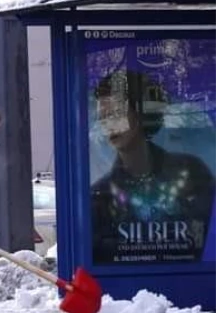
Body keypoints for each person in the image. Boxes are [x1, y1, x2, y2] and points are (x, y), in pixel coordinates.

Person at [90, 69, 214, 264]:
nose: (109, 125)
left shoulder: (191, 172)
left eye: (116, 114)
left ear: (140, 113)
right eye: (102, 118)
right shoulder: (100, 194)